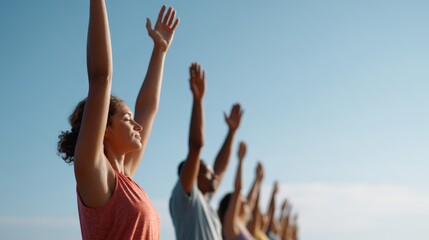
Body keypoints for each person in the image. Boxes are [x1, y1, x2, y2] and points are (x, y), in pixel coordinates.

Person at [57, 1, 179, 239]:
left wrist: (160, 51)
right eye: (127, 118)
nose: (138, 125)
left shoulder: (125, 177)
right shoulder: (94, 174)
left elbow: (148, 108)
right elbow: (101, 77)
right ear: (105, 128)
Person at [169, 62, 243, 240]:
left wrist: (231, 133)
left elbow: (221, 168)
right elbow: (196, 146)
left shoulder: (205, 201)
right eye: (208, 173)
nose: (214, 175)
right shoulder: (186, 199)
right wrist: (198, 100)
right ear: (192, 175)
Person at [217, 141, 255, 240]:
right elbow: (238, 189)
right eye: (241, 198)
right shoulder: (230, 225)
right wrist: (240, 161)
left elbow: (251, 200)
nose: (245, 200)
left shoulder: (241, 223)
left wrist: (257, 179)